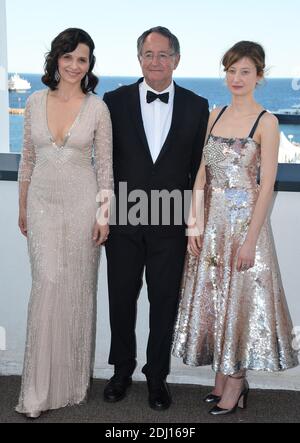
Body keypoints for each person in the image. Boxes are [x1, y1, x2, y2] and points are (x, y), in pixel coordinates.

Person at [172, 41, 299, 416]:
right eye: (231, 70)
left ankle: (237, 381)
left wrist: (251, 240)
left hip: (245, 228)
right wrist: (193, 222)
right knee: (216, 301)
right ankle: (223, 377)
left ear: (259, 76)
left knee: (240, 303)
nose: (237, 78)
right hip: (212, 225)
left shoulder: (268, 122)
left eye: (245, 71)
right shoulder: (217, 114)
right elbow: (202, 173)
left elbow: (267, 186)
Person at [102, 26, 209, 411]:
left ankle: (156, 375)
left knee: (164, 302)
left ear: (176, 60)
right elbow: (105, 165)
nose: (155, 62)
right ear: (139, 59)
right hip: (123, 220)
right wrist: (103, 215)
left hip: (171, 223)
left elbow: (201, 169)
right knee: (121, 300)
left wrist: (195, 222)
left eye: (163, 55)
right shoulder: (113, 101)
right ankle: (120, 369)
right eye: (148, 54)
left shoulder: (199, 107)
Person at [16, 28, 113, 418]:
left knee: (76, 291)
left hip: (81, 207)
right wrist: (22, 207)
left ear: (89, 66)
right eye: (68, 57)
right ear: (56, 59)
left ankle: (71, 384)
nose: (74, 66)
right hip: (40, 206)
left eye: (82, 60)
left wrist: (104, 216)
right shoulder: (35, 101)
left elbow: (105, 167)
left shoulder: (97, 108)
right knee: (46, 286)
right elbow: (27, 159)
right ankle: (37, 391)